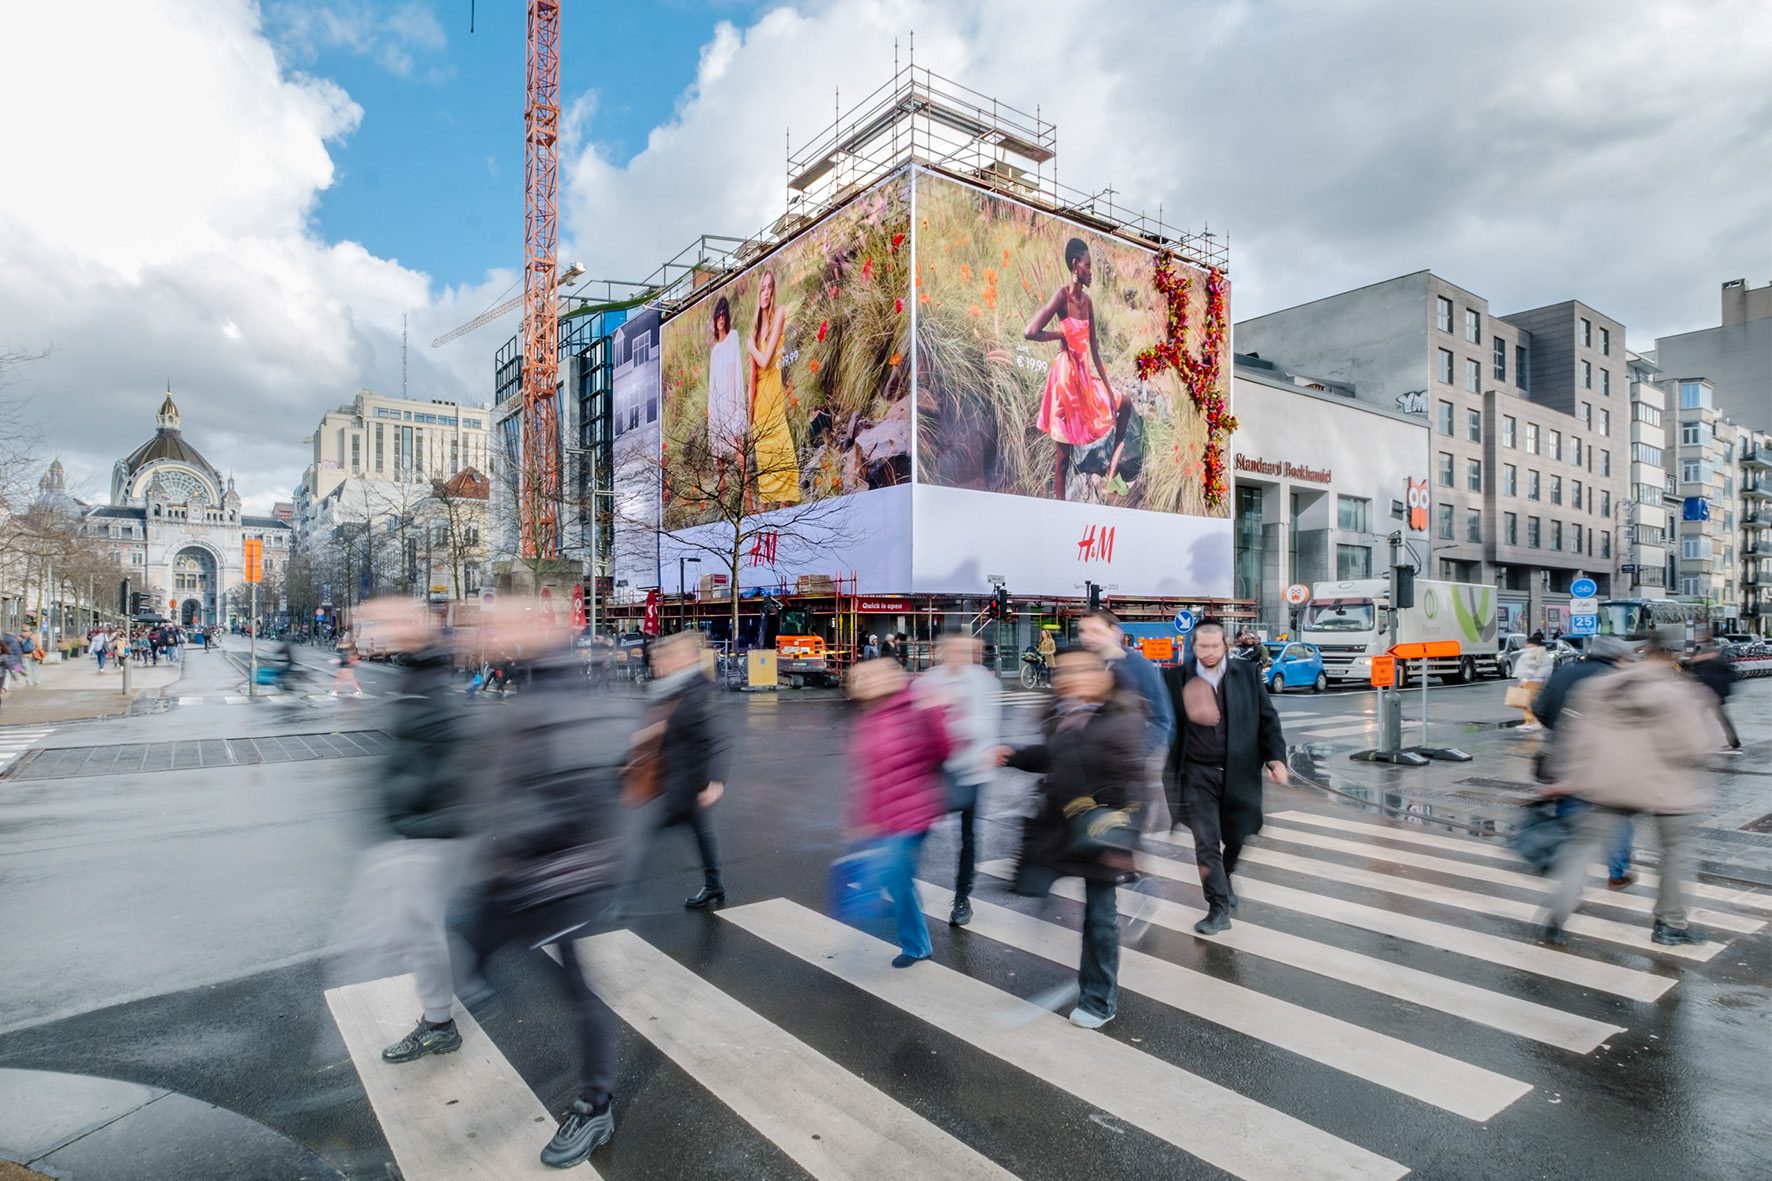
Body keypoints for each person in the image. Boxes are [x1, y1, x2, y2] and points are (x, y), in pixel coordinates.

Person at [449, 628, 634, 1168]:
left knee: (579, 991)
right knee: (471, 928)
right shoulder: (539, 705)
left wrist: (514, 842)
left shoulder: (568, 714)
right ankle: (473, 988)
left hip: (559, 880)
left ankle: (596, 1104)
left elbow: (578, 806)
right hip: (531, 875)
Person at [997, 645, 1145, 1029]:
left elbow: (1137, 783)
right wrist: (1014, 755)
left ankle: (1099, 999)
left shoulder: (1121, 718)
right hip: (1061, 826)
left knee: (1100, 918)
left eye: (1078, 670)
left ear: (1102, 676)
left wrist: (1128, 842)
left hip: (1101, 832)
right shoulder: (1059, 715)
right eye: (1061, 672)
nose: (1067, 678)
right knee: (1035, 889)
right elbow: (1052, 757)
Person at [1539, 632, 1715, 947]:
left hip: (1607, 782)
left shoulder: (1601, 686)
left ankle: (1557, 914)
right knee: (1675, 852)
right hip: (1666, 786)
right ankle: (1669, 924)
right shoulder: (1678, 691)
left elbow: (1577, 735)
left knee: (1582, 846)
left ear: (1643, 653)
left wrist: (1568, 775)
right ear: (1672, 656)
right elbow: (1694, 746)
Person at [359, 621, 475, 1068]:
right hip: (416, 829)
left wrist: (424, 819)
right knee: (417, 928)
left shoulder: (432, 690)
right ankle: (443, 1016)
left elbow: (447, 764)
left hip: (428, 833)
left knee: (421, 930)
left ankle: (442, 1022)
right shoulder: (417, 682)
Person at [1164, 619, 1289, 935]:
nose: (1208, 652)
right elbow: (1161, 721)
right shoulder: (1176, 679)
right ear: (1193, 647)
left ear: (1225, 646)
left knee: (1237, 836)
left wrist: (1276, 759)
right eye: (1202, 646)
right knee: (1206, 842)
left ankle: (1226, 875)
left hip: (1239, 773)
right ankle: (1218, 908)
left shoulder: (1245, 675)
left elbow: (1267, 720)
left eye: (1214, 646)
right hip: (1196, 774)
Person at [846, 657, 951, 968]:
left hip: (913, 811)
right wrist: (860, 817)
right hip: (882, 813)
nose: (863, 683)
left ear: (894, 677)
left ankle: (917, 945)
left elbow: (945, 750)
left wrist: (934, 713)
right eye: (859, 678)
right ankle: (912, 920)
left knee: (895, 875)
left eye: (872, 676)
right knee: (896, 878)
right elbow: (868, 773)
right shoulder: (870, 715)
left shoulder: (916, 707)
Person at [1025, 237, 1131, 501]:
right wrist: (1060, 336)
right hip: (1065, 384)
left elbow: (1094, 352)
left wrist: (1107, 390)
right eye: (1088, 265)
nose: (1091, 271)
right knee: (1062, 458)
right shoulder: (1062, 296)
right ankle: (1060, 511)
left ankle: (1111, 468)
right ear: (1076, 266)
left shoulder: (1088, 302)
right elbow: (1030, 331)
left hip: (1085, 380)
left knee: (1125, 404)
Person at [631, 631, 731, 909]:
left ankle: (624, 900)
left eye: (670, 655)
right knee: (701, 833)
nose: (661, 661)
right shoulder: (672, 688)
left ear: (687, 657)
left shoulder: (698, 690)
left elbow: (719, 737)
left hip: (691, 780)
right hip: (676, 777)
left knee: (645, 834)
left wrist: (716, 781)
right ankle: (714, 886)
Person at [1532, 634, 1637, 887]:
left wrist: (1559, 730)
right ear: (1618, 657)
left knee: (1571, 825)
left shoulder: (1563, 674)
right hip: (1609, 766)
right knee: (1618, 818)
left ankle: (1569, 883)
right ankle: (1617, 872)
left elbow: (1539, 709)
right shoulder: (1619, 681)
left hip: (1566, 764)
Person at [916, 634, 1001, 928]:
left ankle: (962, 897)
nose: (956, 656)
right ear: (940, 652)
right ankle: (905, 884)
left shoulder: (983, 682)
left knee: (968, 836)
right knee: (918, 828)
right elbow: (915, 721)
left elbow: (986, 725)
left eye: (962, 651)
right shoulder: (928, 679)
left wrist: (947, 715)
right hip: (936, 769)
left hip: (972, 770)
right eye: (950, 651)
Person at [1077, 609, 1173, 826]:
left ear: (1115, 632)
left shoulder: (1139, 667)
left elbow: (1162, 718)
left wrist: (1139, 753)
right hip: (1090, 763)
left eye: (1095, 631)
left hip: (1126, 765)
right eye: (1082, 631)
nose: (1086, 637)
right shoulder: (1083, 665)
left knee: (1121, 825)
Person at [745, 269, 802, 510]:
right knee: (768, 479)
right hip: (760, 410)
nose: (766, 293)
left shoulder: (779, 314)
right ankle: (772, 530)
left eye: (769, 287)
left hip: (775, 404)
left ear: (774, 291)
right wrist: (749, 414)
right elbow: (752, 379)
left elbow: (766, 360)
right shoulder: (755, 331)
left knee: (786, 467)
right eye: (763, 288)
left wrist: (751, 348)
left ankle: (786, 531)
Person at [706, 295, 748, 493]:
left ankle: (749, 503)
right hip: (718, 410)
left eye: (724, 315)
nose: (721, 319)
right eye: (718, 316)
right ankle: (723, 504)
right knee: (720, 462)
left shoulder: (734, 337)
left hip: (732, 405)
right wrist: (712, 418)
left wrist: (739, 409)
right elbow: (712, 387)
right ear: (715, 320)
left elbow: (738, 374)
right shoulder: (714, 352)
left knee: (740, 454)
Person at [1688, 637, 1741, 754]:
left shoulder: (1710, 660)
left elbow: (1704, 676)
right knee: (1719, 718)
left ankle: (1705, 741)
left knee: (1703, 717)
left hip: (1712, 694)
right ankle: (1733, 743)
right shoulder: (1719, 659)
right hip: (1716, 693)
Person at [1513, 632, 1554, 730]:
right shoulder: (1542, 652)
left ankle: (1532, 721)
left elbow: (1532, 667)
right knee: (1530, 702)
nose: (1525, 645)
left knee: (1527, 702)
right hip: (1538, 680)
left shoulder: (1534, 652)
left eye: (1527, 643)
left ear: (1533, 644)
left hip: (1532, 680)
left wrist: (1525, 679)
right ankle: (1529, 721)